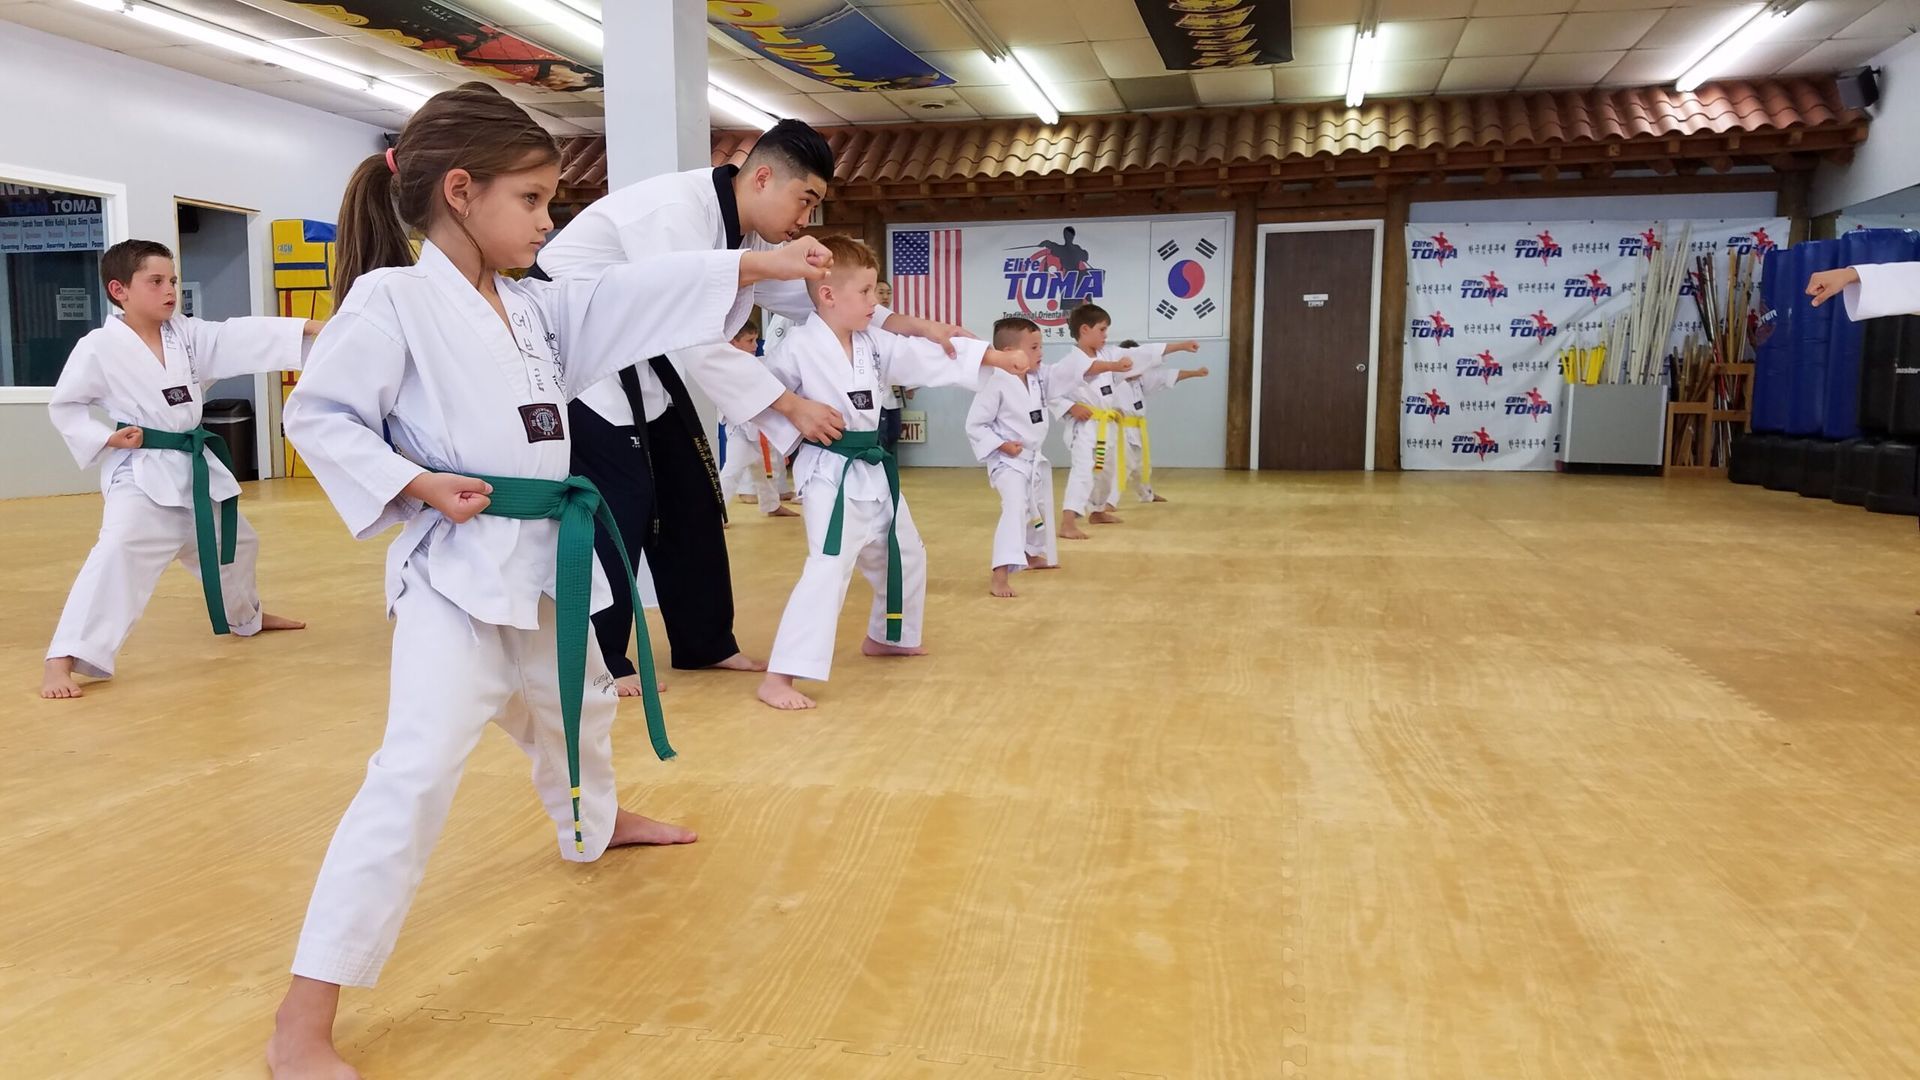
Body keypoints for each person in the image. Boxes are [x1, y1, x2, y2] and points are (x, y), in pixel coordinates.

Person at [266, 82, 830, 1078]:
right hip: (455, 577)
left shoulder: (535, 305)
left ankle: (596, 823)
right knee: (414, 775)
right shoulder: (392, 301)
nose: (547, 220)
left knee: (581, 711)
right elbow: (320, 417)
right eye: (531, 200)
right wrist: (413, 481)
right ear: (460, 191)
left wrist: (755, 261)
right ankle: (304, 1016)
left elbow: (630, 296)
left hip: (545, 566)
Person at [533, 119, 968, 694]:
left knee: (691, 489)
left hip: (638, 352)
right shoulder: (675, 212)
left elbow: (817, 297)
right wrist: (791, 404)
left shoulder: (749, 235)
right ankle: (599, 662)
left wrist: (907, 323)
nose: (806, 219)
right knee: (622, 498)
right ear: (762, 177)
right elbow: (696, 335)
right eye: (804, 199)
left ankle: (705, 642)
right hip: (576, 352)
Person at [755, 237, 1032, 710]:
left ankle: (888, 635)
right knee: (829, 567)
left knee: (905, 551)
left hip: (874, 467)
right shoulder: (797, 349)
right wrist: (797, 425)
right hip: (830, 472)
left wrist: (995, 357)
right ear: (827, 295)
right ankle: (780, 676)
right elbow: (760, 398)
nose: (876, 304)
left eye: (876, 293)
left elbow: (931, 356)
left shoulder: (875, 343)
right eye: (865, 293)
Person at [40, 239, 315, 699]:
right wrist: (105, 437)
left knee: (240, 542)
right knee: (117, 554)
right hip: (142, 472)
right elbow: (65, 405)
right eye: (156, 281)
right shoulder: (100, 347)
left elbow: (238, 337)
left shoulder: (184, 335)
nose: (170, 291)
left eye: (173, 281)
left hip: (192, 468)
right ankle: (61, 659)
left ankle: (244, 616)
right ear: (119, 289)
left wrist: (309, 327)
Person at [1049, 305, 1196, 539]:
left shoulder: (1108, 354)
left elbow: (1142, 354)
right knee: (1084, 470)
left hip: (1107, 425)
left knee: (1108, 471)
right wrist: (1071, 407)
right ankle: (1068, 522)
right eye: (1102, 330)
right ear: (1084, 330)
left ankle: (1097, 511)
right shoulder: (1068, 363)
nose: (1106, 335)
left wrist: (1179, 346)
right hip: (1086, 427)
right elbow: (1053, 392)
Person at [965, 317, 1058, 597]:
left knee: (1038, 506)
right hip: (1007, 461)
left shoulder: (1035, 379)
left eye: (1040, 346)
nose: (1040, 353)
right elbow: (974, 425)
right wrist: (1002, 445)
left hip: (1032, 458)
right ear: (1008, 353)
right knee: (1016, 507)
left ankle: (1031, 554)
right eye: (1033, 347)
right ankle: (1000, 573)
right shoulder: (995, 382)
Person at [716, 320, 798, 518]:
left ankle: (771, 505)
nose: (755, 345)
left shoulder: (756, 362)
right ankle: (716, 515)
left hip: (758, 429)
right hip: (741, 429)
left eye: (755, 340)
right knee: (731, 472)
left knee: (763, 471)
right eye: (750, 340)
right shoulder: (724, 367)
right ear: (733, 343)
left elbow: (772, 363)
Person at [1113, 337, 1210, 503]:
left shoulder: (1140, 380)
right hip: (1118, 429)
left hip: (1136, 428)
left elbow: (1165, 377)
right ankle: (1107, 502)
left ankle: (1147, 494)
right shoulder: (1111, 380)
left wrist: (1194, 373)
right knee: (1122, 465)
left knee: (1142, 466)